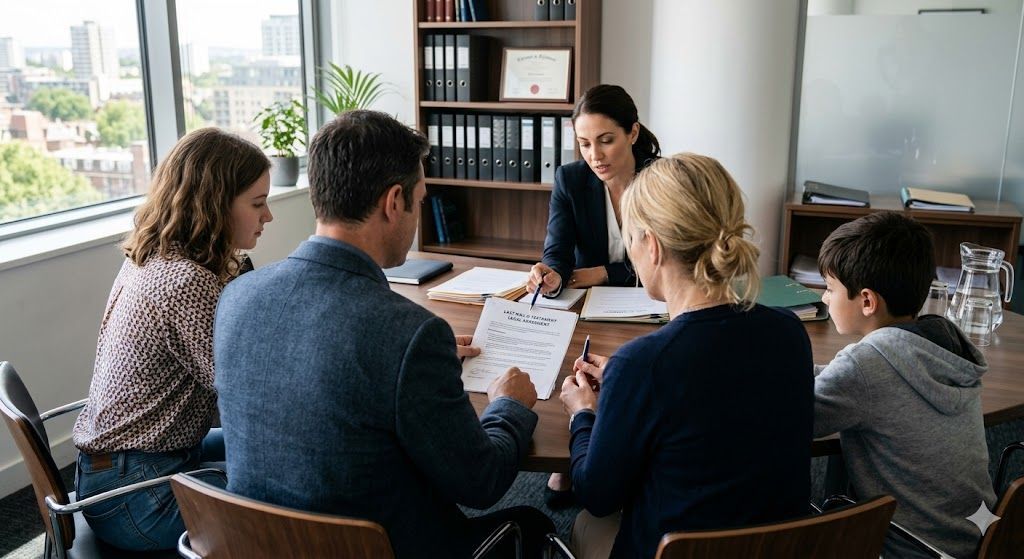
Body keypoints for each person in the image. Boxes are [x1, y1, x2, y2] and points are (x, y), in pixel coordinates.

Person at [213, 110, 555, 559]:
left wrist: (412, 372)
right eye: (418, 199)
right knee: (534, 523)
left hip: (262, 544)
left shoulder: (238, 297)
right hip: (380, 548)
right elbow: (481, 482)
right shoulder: (408, 333)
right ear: (394, 202)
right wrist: (510, 405)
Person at [560, 153, 814, 559]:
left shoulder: (644, 364)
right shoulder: (789, 331)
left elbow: (597, 494)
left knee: (587, 524)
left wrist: (583, 413)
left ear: (653, 246)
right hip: (776, 548)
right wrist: (629, 387)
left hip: (673, 551)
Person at [72, 128, 273, 550]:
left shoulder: (152, 256)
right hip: (134, 496)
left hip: (117, 469)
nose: (267, 216)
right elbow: (244, 398)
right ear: (216, 205)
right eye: (257, 203)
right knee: (283, 491)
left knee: (266, 459)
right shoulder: (186, 282)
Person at [813, 212, 996, 558]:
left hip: (910, 548)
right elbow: (851, 379)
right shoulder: (945, 342)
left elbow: (796, 416)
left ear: (867, 301)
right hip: (978, 537)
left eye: (830, 288)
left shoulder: (863, 367)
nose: (824, 298)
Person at [527, 84, 661, 297]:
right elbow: (557, 250)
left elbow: (669, 260)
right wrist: (552, 274)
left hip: (652, 300)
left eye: (606, 141)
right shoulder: (570, 179)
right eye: (585, 144)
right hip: (587, 302)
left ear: (632, 133)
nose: (595, 156)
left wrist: (603, 273)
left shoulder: (663, 180)